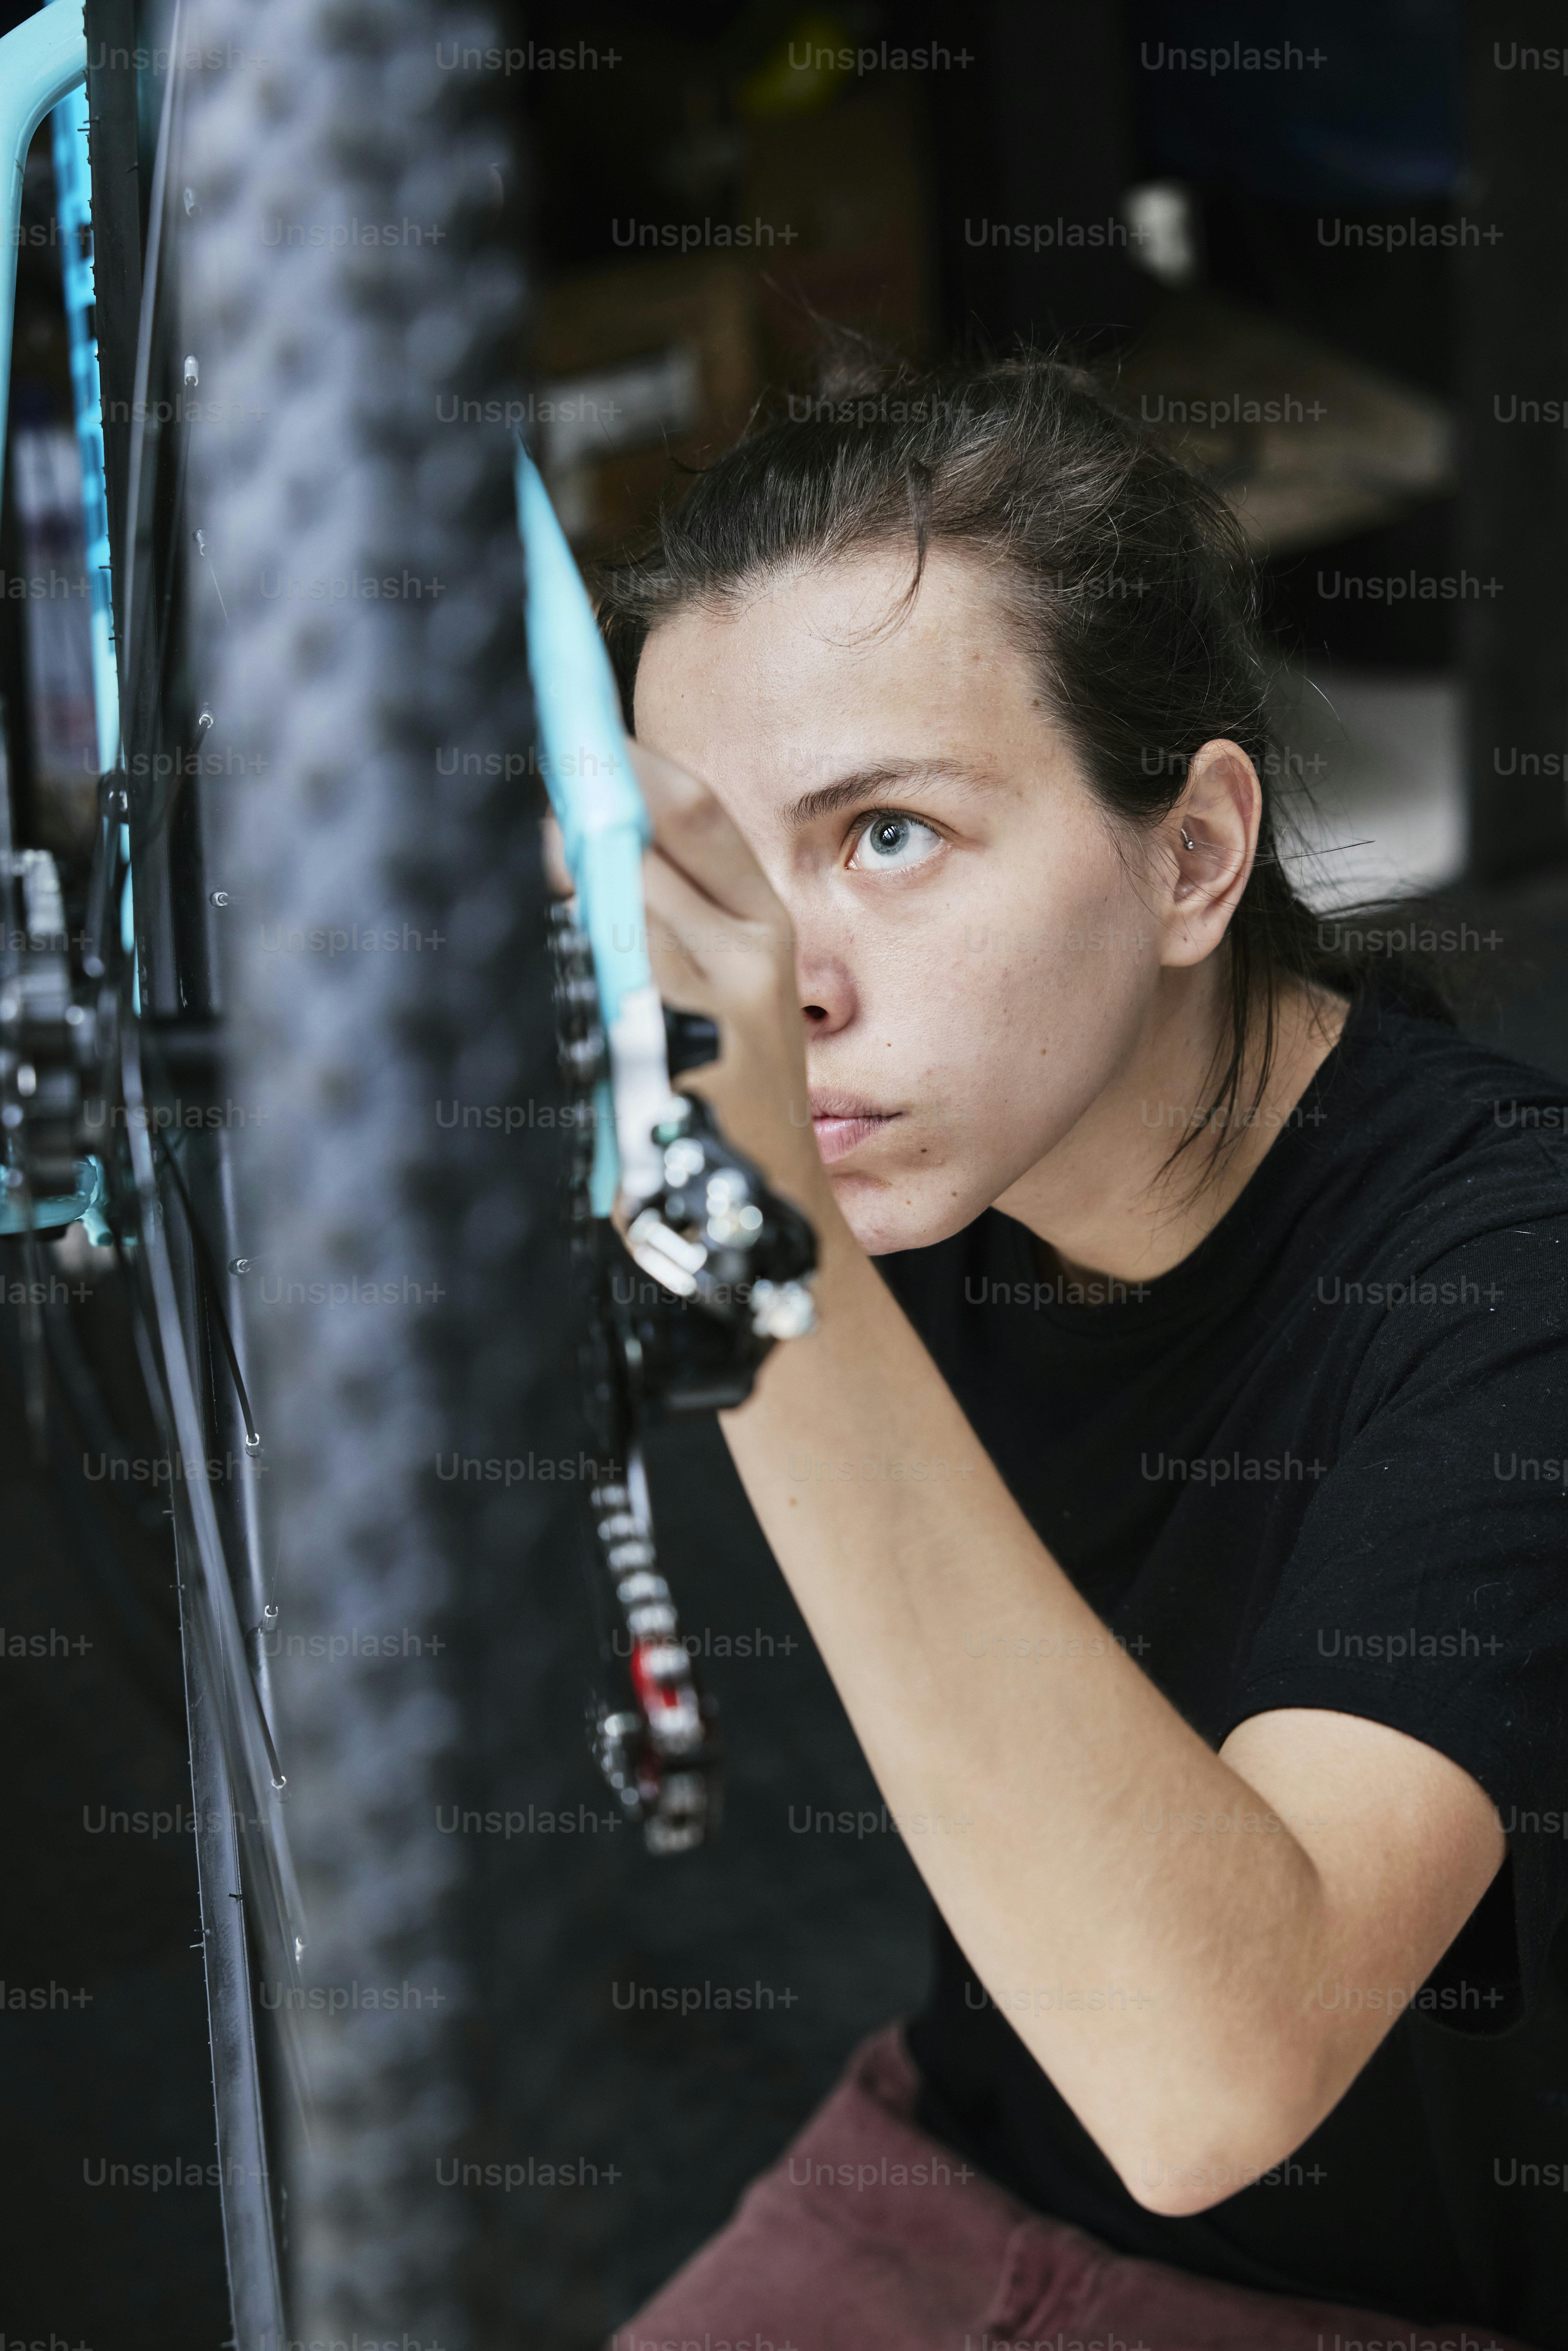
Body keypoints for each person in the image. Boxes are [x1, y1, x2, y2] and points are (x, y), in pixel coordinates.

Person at [592, 355, 1568, 2351]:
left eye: (887, 835)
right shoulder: (939, 1168)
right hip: (954, 2163)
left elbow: (1212, 2085)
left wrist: (760, 1256)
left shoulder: (1509, 1275)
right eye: (715, 884)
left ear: (1195, 854)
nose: (790, 988)